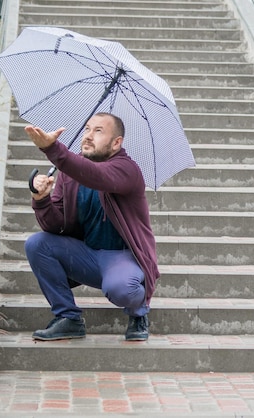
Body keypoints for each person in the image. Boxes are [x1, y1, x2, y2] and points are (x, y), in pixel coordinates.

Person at [23, 112, 159, 342]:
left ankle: (138, 313)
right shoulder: (70, 173)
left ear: (117, 142)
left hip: (122, 257)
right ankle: (68, 318)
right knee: (37, 244)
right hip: (88, 255)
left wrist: (53, 149)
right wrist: (42, 200)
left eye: (98, 131)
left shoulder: (127, 169)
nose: (88, 136)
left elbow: (95, 175)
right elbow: (55, 226)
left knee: (122, 289)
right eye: (87, 129)